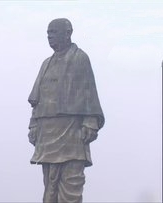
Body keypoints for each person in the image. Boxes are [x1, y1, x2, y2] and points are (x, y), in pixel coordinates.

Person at [27, 18, 105, 203]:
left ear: (68, 33)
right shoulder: (46, 63)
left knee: (71, 184)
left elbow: (89, 94)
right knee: (50, 186)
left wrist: (90, 123)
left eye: (53, 32)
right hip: (47, 133)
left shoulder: (80, 58)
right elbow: (37, 100)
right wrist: (33, 126)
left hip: (72, 131)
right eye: (48, 33)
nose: (50, 37)